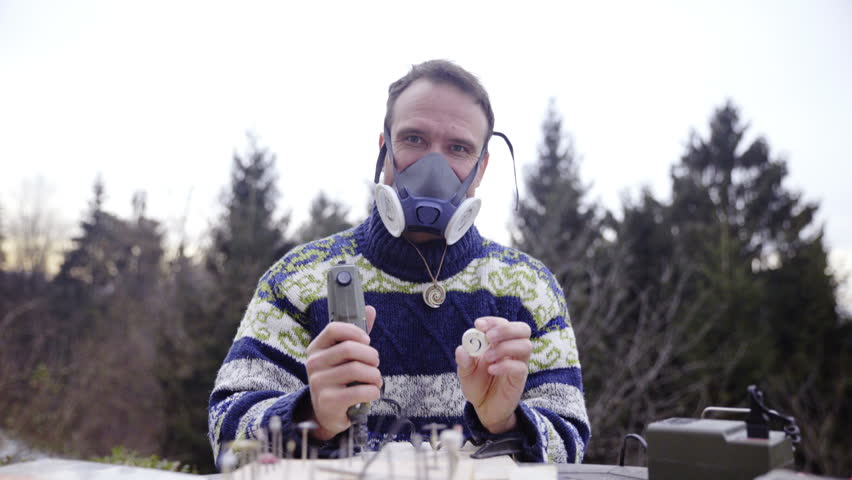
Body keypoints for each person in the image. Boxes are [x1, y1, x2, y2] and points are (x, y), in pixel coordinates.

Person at [207, 59, 590, 467]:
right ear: (384, 149)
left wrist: (504, 421)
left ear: (481, 168)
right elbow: (225, 436)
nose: (433, 167)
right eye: (414, 139)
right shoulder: (299, 280)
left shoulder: (529, 287)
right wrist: (311, 416)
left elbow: (571, 444)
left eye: (459, 148)